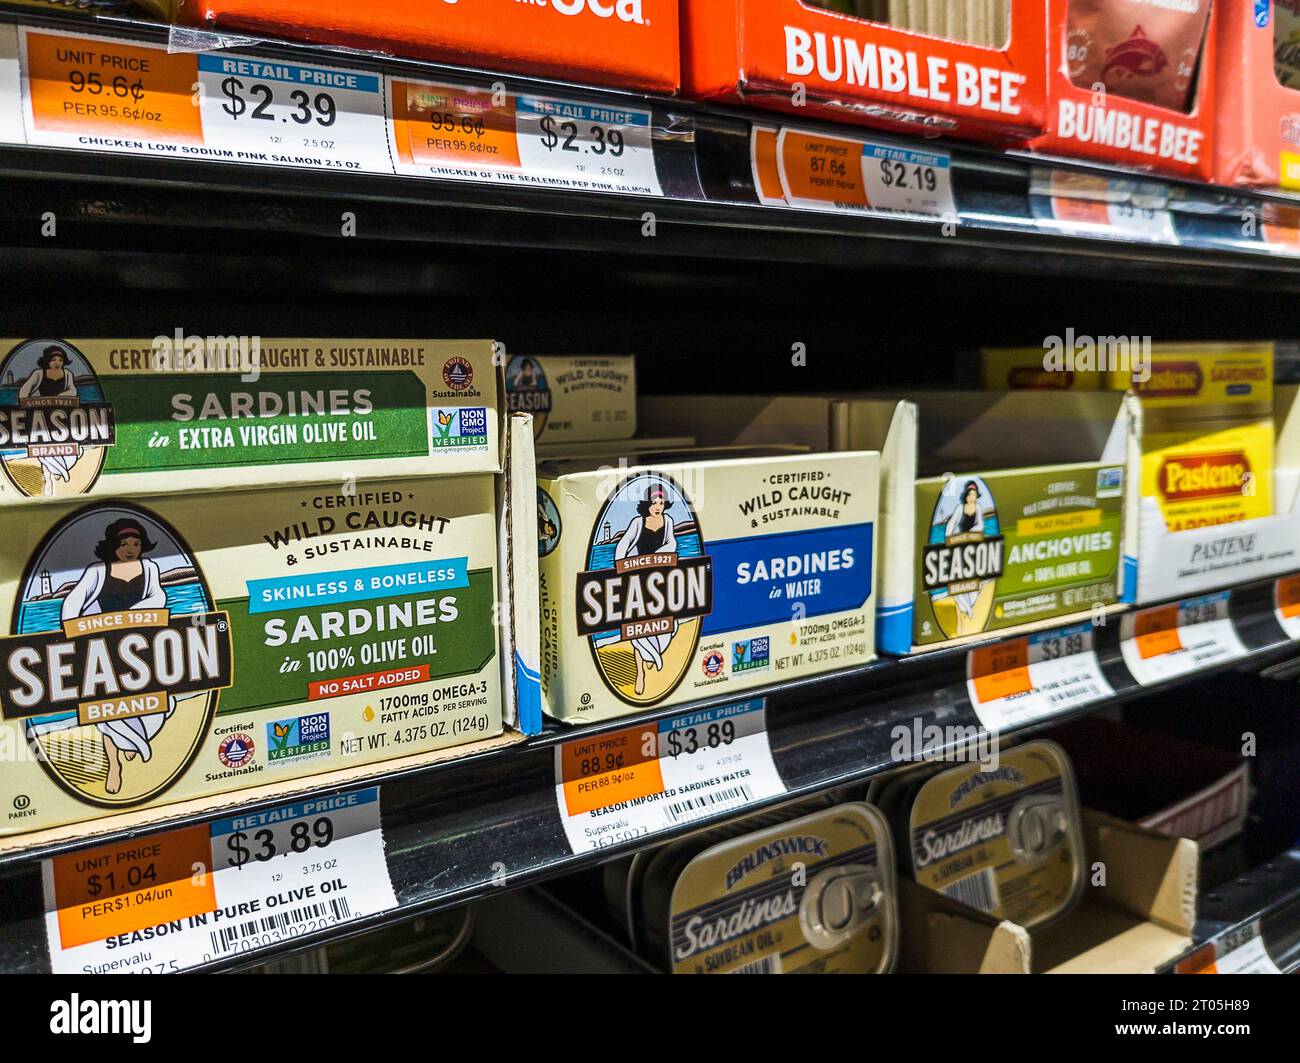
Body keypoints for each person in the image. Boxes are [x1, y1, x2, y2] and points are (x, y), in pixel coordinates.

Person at [61, 518, 171, 795]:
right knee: (107, 713)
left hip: (138, 649)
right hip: (104, 650)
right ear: (113, 546)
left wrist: (129, 618)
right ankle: (114, 765)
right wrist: (76, 631)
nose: (131, 549)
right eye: (124, 544)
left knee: (153, 703)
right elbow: (73, 603)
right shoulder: (98, 571)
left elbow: (158, 598)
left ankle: (133, 741)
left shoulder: (150, 567)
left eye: (136, 543)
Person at [614, 485, 678, 697]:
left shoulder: (668, 522)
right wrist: (623, 567)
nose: (657, 507)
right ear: (646, 504)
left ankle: (653, 654)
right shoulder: (637, 523)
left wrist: (659, 555)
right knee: (639, 630)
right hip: (639, 580)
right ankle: (640, 671)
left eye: (661, 503)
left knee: (669, 624)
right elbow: (622, 546)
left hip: (659, 580)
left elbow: (672, 543)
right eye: (653, 503)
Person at [18, 345, 81, 496]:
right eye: (54, 360)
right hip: (42, 419)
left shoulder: (67, 374)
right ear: (47, 361)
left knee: (67, 448)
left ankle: (58, 470)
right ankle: (49, 478)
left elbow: (73, 391)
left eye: (60, 359)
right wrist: (37, 401)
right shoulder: (39, 374)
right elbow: (23, 393)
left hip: (61, 420)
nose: (57, 362)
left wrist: (57, 399)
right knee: (43, 451)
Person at [944, 480, 985, 622]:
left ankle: (969, 607)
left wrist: (971, 533)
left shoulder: (978, 508)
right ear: (966, 496)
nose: (971, 497)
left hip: (972, 546)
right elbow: (950, 524)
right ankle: (965, 608)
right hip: (958, 546)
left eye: (974, 494)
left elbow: (980, 525)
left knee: (975, 583)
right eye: (969, 494)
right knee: (955, 582)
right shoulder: (960, 508)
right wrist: (949, 539)